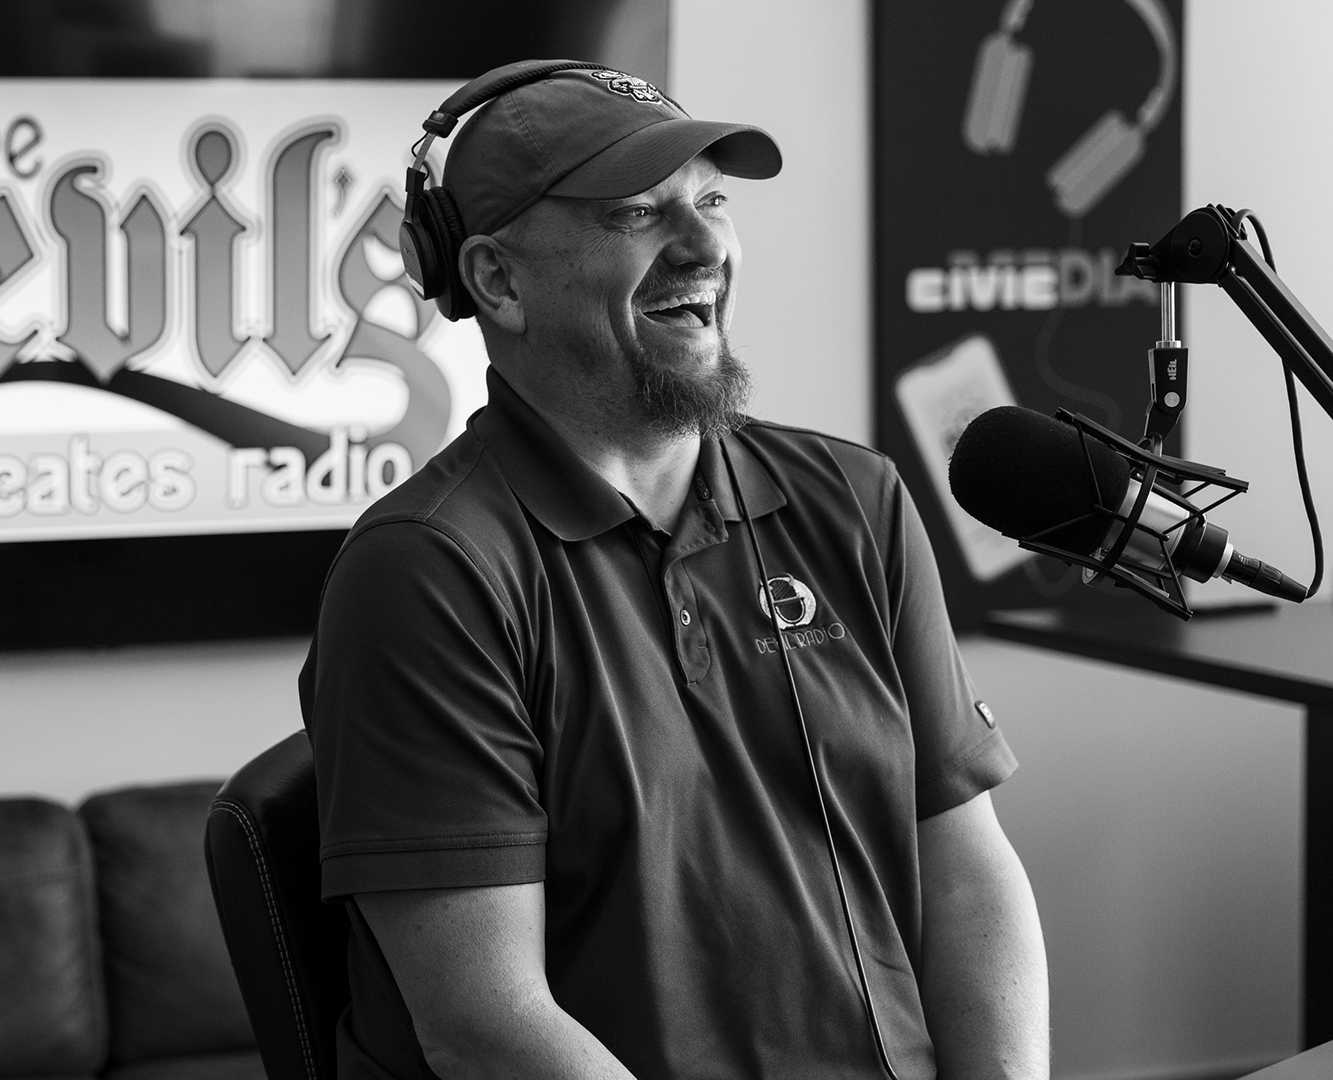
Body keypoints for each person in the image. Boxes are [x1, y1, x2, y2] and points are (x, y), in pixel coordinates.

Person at [299, 61, 1048, 1080]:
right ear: (497, 280)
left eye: (710, 200)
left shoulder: (854, 501)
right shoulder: (428, 572)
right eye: (636, 214)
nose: (705, 246)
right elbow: (483, 1023)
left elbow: (966, 874)